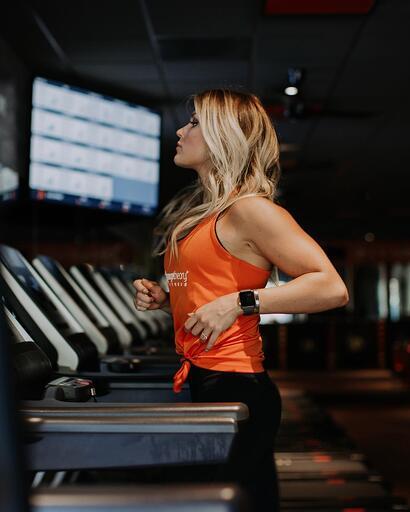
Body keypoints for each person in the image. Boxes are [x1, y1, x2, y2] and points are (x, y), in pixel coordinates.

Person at [133, 89, 349, 511]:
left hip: (236, 384)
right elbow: (212, 290)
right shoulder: (206, 213)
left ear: (222, 136)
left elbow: (331, 287)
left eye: (194, 122)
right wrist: (167, 299)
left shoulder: (251, 210)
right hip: (203, 377)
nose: (181, 129)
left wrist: (238, 302)